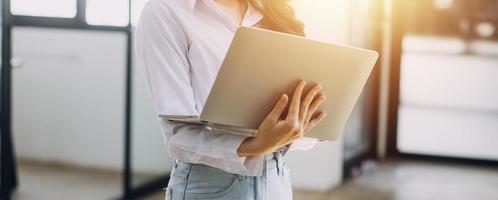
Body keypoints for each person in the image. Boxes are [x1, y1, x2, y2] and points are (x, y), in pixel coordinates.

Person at [135, 0, 327, 199]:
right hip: (210, 187)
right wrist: (253, 145)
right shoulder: (165, 12)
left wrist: (298, 124)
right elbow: (178, 135)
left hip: (276, 180)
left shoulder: (269, 11)